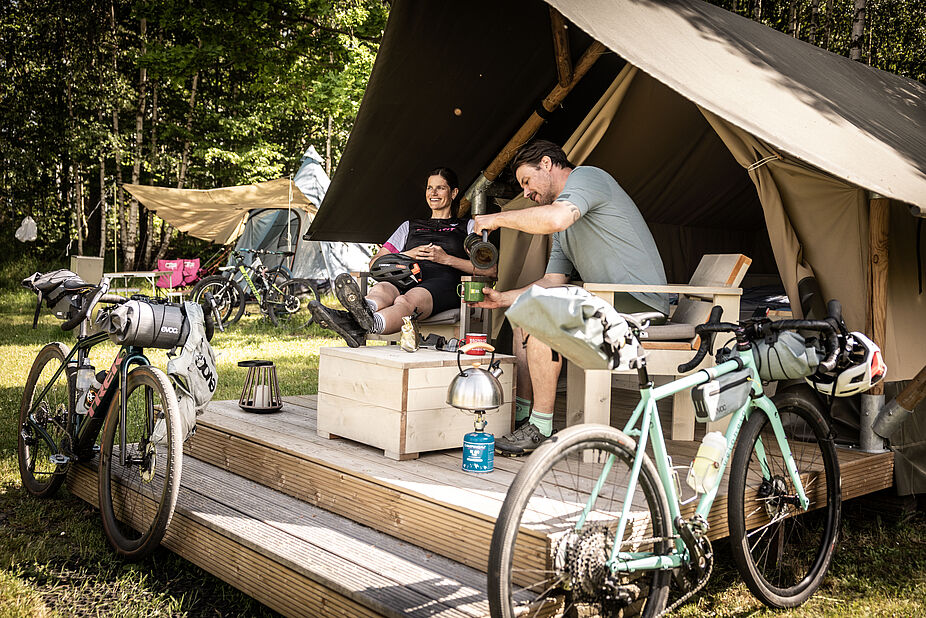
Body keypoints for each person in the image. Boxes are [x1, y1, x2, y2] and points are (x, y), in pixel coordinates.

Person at [473, 140, 668, 456]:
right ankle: (523, 416)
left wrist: (497, 219)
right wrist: (502, 299)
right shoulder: (563, 226)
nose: (526, 193)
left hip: (641, 305)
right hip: (610, 305)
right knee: (524, 313)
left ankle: (540, 428)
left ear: (546, 164)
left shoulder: (588, 177)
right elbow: (552, 281)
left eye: (527, 181)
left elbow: (554, 218)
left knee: (542, 320)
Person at [310, 167, 497, 347]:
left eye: (440, 187)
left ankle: (358, 324)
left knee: (405, 300)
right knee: (381, 288)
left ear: (454, 193)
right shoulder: (409, 226)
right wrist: (408, 254)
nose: (433, 193)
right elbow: (375, 264)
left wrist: (446, 259)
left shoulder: (468, 227)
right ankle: (359, 319)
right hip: (406, 277)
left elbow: (490, 270)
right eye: (429, 187)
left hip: (443, 283)